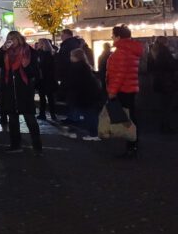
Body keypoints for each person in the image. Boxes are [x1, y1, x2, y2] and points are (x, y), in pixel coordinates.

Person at [0, 31, 42, 154]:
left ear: (19, 39)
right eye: (9, 39)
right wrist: (2, 50)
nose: (11, 42)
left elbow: (34, 73)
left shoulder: (29, 52)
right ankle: (15, 145)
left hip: (24, 91)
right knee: (12, 120)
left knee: (30, 119)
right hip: (9, 91)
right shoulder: (5, 53)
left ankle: (37, 147)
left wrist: (26, 66)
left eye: (13, 39)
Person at [105, 25, 143, 157]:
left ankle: (131, 146)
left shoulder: (121, 52)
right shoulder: (130, 50)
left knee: (128, 119)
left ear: (118, 37)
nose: (111, 37)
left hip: (123, 89)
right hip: (130, 87)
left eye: (113, 34)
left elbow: (119, 74)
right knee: (130, 117)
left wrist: (112, 91)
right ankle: (133, 144)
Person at [64, 49, 105, 138]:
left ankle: (92, 133)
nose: (70, 58)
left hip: (83, 95)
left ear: (76, 57)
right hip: (88, 94)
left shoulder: (76, 67)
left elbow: (74, 83)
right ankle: (89, 132)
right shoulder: (85, 66)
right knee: (87, 114)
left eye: (72, 56)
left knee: (87, 114)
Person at [147, 37, 178, 134]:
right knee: (167, 106)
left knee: (163, 105)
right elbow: (172, 65)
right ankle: (166, 127)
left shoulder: (152, 51)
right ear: (164, 42)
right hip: (167, 82)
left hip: (159, 82)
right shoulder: (164, 51)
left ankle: (163, 125)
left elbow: (149, 67)